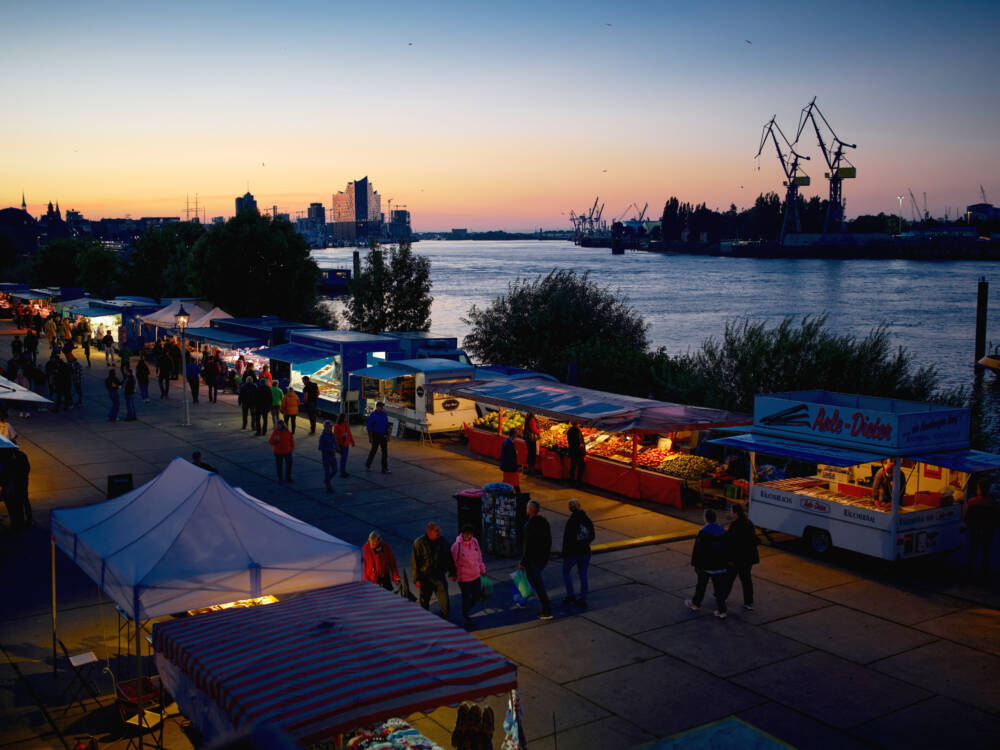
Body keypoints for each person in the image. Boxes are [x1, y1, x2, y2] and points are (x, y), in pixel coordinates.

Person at [685, 508, 730, 619]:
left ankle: (696, 604)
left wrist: (695, 564)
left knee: (701, 586)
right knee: (719, 589)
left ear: (705, 518)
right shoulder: (722, 530)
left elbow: (698, 550)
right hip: (720, 566)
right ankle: (722, 610)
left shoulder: (703, 532)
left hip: (706, 566)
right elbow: (727, 548)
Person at [411, 522, 457, 619]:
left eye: (438, 530)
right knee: (424, 600)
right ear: (429, 532)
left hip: (439, 576)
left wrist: (452, 573)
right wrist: (416, 579)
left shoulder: (443, 542)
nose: (439, 532)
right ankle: (425, 619)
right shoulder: (419, 543)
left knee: (444, 600)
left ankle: (445, 618)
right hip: (425, 577)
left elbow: (449, 558)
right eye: (436, 530)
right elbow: (415, 562)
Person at [520, 500, 553, 620]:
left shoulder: (529, 525)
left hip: (533, 560)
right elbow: (548, 541)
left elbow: (527, 546)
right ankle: (524, 599)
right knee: (533, 580)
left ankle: (546, 609)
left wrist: (523, 562)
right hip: (542, 558)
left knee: (537, 583)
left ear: (530, 510)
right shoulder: (544, 522)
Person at [724, 503, 759, 611]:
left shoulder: (735, 525)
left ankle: (722, 596)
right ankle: (748, 602)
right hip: (748, 558)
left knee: (729, 579)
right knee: (746, 580)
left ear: (735, 513)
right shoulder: (748, 523)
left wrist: (729, 558)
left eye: (731, 511)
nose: (730, 513)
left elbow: (730, 543)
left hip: (737, 559)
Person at [561, 498, 595, 610]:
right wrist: (584, 543)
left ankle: (570, 594)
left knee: (566, 571)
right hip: (585, 552)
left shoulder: (571, 521)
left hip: (573, 553)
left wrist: (565, 554)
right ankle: (583, 599)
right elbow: (592, 535)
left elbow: (567, 540)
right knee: (583, 575)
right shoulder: (586, 519)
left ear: (570, 508)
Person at [452, 524, 487, 629]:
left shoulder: (475, 542)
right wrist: (454, 574)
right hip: (464, 578)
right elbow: (453, 562)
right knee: (466, 597)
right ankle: (466, 616)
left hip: (475, 575)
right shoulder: (456, 546)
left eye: (470, 534)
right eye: (467, 534)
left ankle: (465, 610)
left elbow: (479, 557)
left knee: (476, 596)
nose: (469, 536)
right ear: (462, 534)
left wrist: (482, 569)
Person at [964, 478, 997, 579]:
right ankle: (985, 574)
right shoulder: (992, 503)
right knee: (985, 554)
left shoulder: (972, 502)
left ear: (979, 489)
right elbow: (996, 519)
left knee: (972, 552)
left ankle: (969, 573)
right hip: (987, 532)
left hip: (974, 531)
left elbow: (965, 517)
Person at [2, 448, 31, 531]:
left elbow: (25, 470)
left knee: (19, 502)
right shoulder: (19, 456)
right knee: (20, 502)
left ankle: (20, 522)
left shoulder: (16, 457)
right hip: (17, 483)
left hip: (18, 483)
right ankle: (19, 521)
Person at [365, 400, 391, 474]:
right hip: (375, 435)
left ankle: (384, 468)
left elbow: (387, 425)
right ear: (377, 407)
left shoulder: (384, 415)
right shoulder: (373, 415)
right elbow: (369, 427)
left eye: (382, 407)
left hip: (383, 435)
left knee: (385, 453)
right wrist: (370, 437)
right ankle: (368, 465)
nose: (381, 408)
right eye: (380, 407)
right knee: (373, 451)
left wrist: (388, 436)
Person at [318, 420, 338, 493]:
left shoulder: (332, 435)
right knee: (327, 471)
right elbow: (320, 447)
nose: (330, 428)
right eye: (329, 427)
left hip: (332, 456)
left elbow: (335, 442)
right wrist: (330, 450)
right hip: (326, 457)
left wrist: (337, 448)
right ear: (325, 427)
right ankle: (328, 486)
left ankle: (327, 480)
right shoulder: (323, 436)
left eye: (331, 427)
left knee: (335, 470)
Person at [334, 412, 355, 478]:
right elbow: (335, 436)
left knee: (344, 458)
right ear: (342, 418)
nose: (346, 418)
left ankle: (343, 471)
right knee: (343, 459)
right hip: (341, 444)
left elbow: (349, 433)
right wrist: (342, 435)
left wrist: (352, 441)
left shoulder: (346, 424)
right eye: (345, 417)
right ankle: (342, 471)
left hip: (346, 444)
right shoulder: (337, 426)